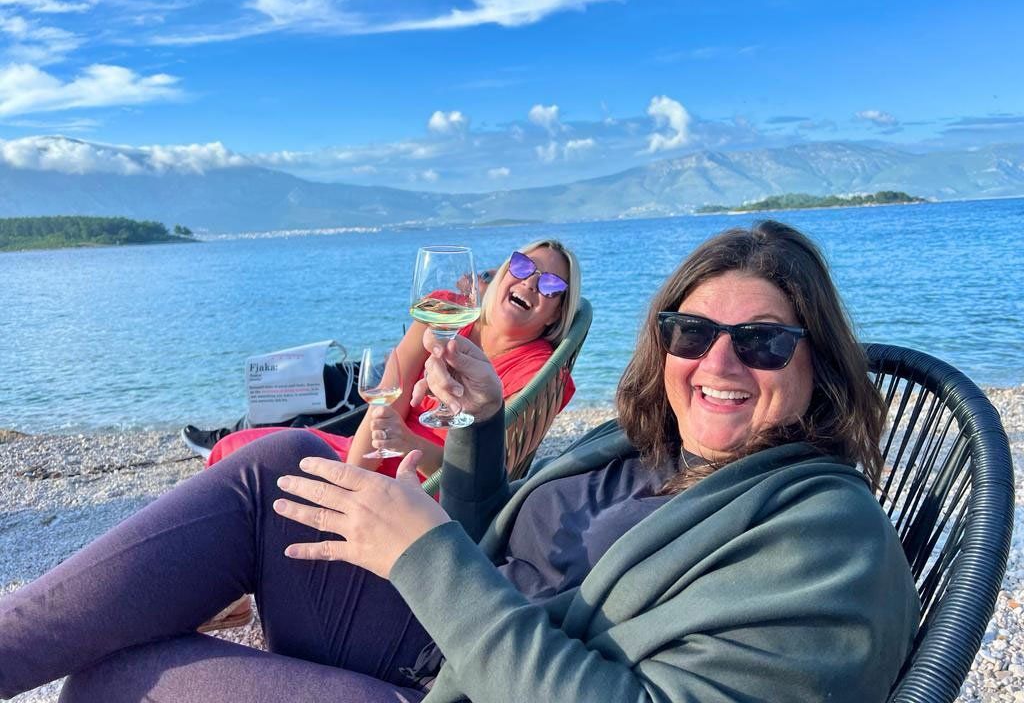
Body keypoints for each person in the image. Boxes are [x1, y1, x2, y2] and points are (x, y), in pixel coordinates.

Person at [0, 220, 920, 703]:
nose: (717, 364)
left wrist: (423, 553)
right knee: (274, 469)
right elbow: (517, 537)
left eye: (761, 343)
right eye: (692, 332)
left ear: (820, 361)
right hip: (461, 623)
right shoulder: (660, 449)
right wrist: (478, 431)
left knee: (115, 675)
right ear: (661, 341)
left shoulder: (825, 536)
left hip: (469, 676)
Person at [202, 244, 578, 481]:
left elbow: (482, 474)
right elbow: (386, 404)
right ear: (503, 273)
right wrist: (351, 478)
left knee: (253, 468)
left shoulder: (541, 374)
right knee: (232, 449)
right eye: (524, 267)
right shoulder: (444, 310)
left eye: (550, 286)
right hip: (366, 455)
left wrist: (403, 445)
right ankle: (232, 604)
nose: (531, 283)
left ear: (554, 315)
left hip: (423, 487)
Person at [180, 269, 500, 457]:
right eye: (482, 273)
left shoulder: (476, 330)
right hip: (389, 376)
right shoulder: (461, 312)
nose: (472, 279)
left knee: (317, 390)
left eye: (486, 275)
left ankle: (228, 438)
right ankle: (234, 432)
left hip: (392, 404)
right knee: (317, 378)